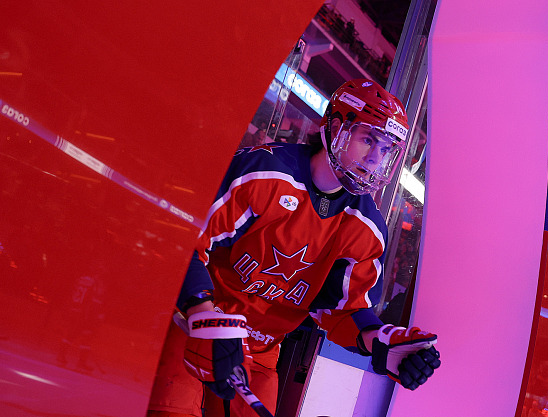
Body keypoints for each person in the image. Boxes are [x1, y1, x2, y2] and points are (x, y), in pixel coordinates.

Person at [147, 79, 441, 417]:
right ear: (336, 128)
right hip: (193, 324)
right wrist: (202, 312)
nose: (376, 157)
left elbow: (341, 310)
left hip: (261, 354)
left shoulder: (367, 228)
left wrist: (381, 343)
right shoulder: (264, 173)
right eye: (368, 140)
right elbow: (187, 242)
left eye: (386, 149)